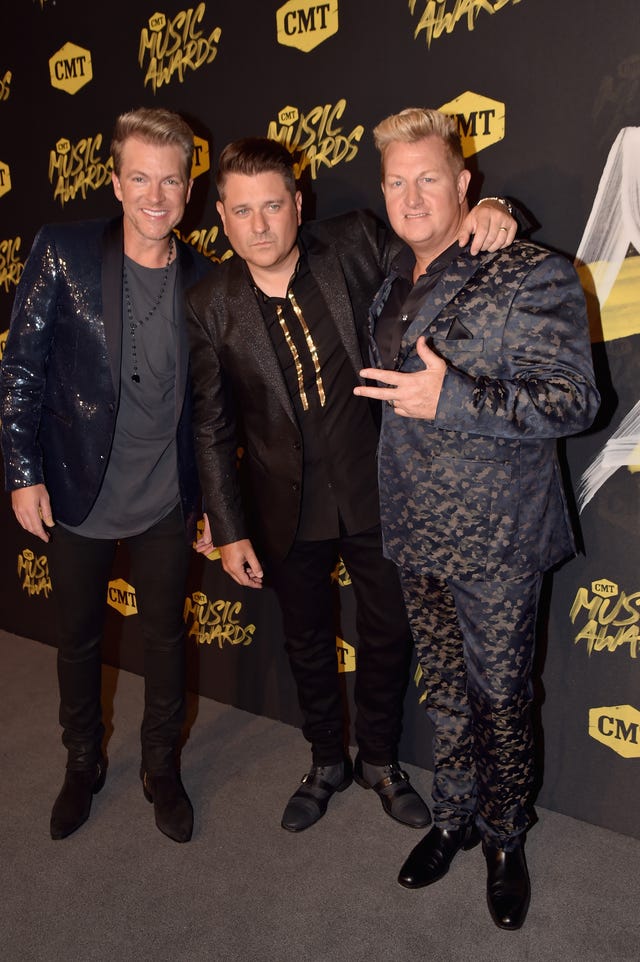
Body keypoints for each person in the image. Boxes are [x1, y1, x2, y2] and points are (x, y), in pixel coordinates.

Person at [185, 136, 516, 833]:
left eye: (272, 205)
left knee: (389, 631)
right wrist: (230, 526)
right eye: (242, 211)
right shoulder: (209, 303)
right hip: (284, 505)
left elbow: (438, 246)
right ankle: (325, 762)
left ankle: (381, 761)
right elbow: (211, 426)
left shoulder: (355, 244)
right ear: (222, 217)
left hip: (378, 489)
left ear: (297, 202)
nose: (260, 225)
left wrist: (493, 204)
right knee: (306, 641)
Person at [353, 108, 600, 928]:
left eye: (430, 178)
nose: (412, 196)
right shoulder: (391, 276)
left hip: (499, 538)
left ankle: (505, 836)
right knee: (447, 691)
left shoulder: (531, 270)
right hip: (414, 529)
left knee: (499, 700)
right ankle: (455, 815)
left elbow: (574, 400)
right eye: (397, 181)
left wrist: (452, 398)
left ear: (465, 183)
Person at [0, 107, 212, 843]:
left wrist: (215, 504)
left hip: (165, 498)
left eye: (171, 181)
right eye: (140, 179)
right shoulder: (63, 251)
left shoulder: (206, 279)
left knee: (165, 640)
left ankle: (162, 767)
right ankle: (83, 761)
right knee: (79, 640)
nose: (156, 196)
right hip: (77, 487)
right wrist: (22, 471)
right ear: (116, 183)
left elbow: (214, 409)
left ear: (188, 189)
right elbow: (21, 367)